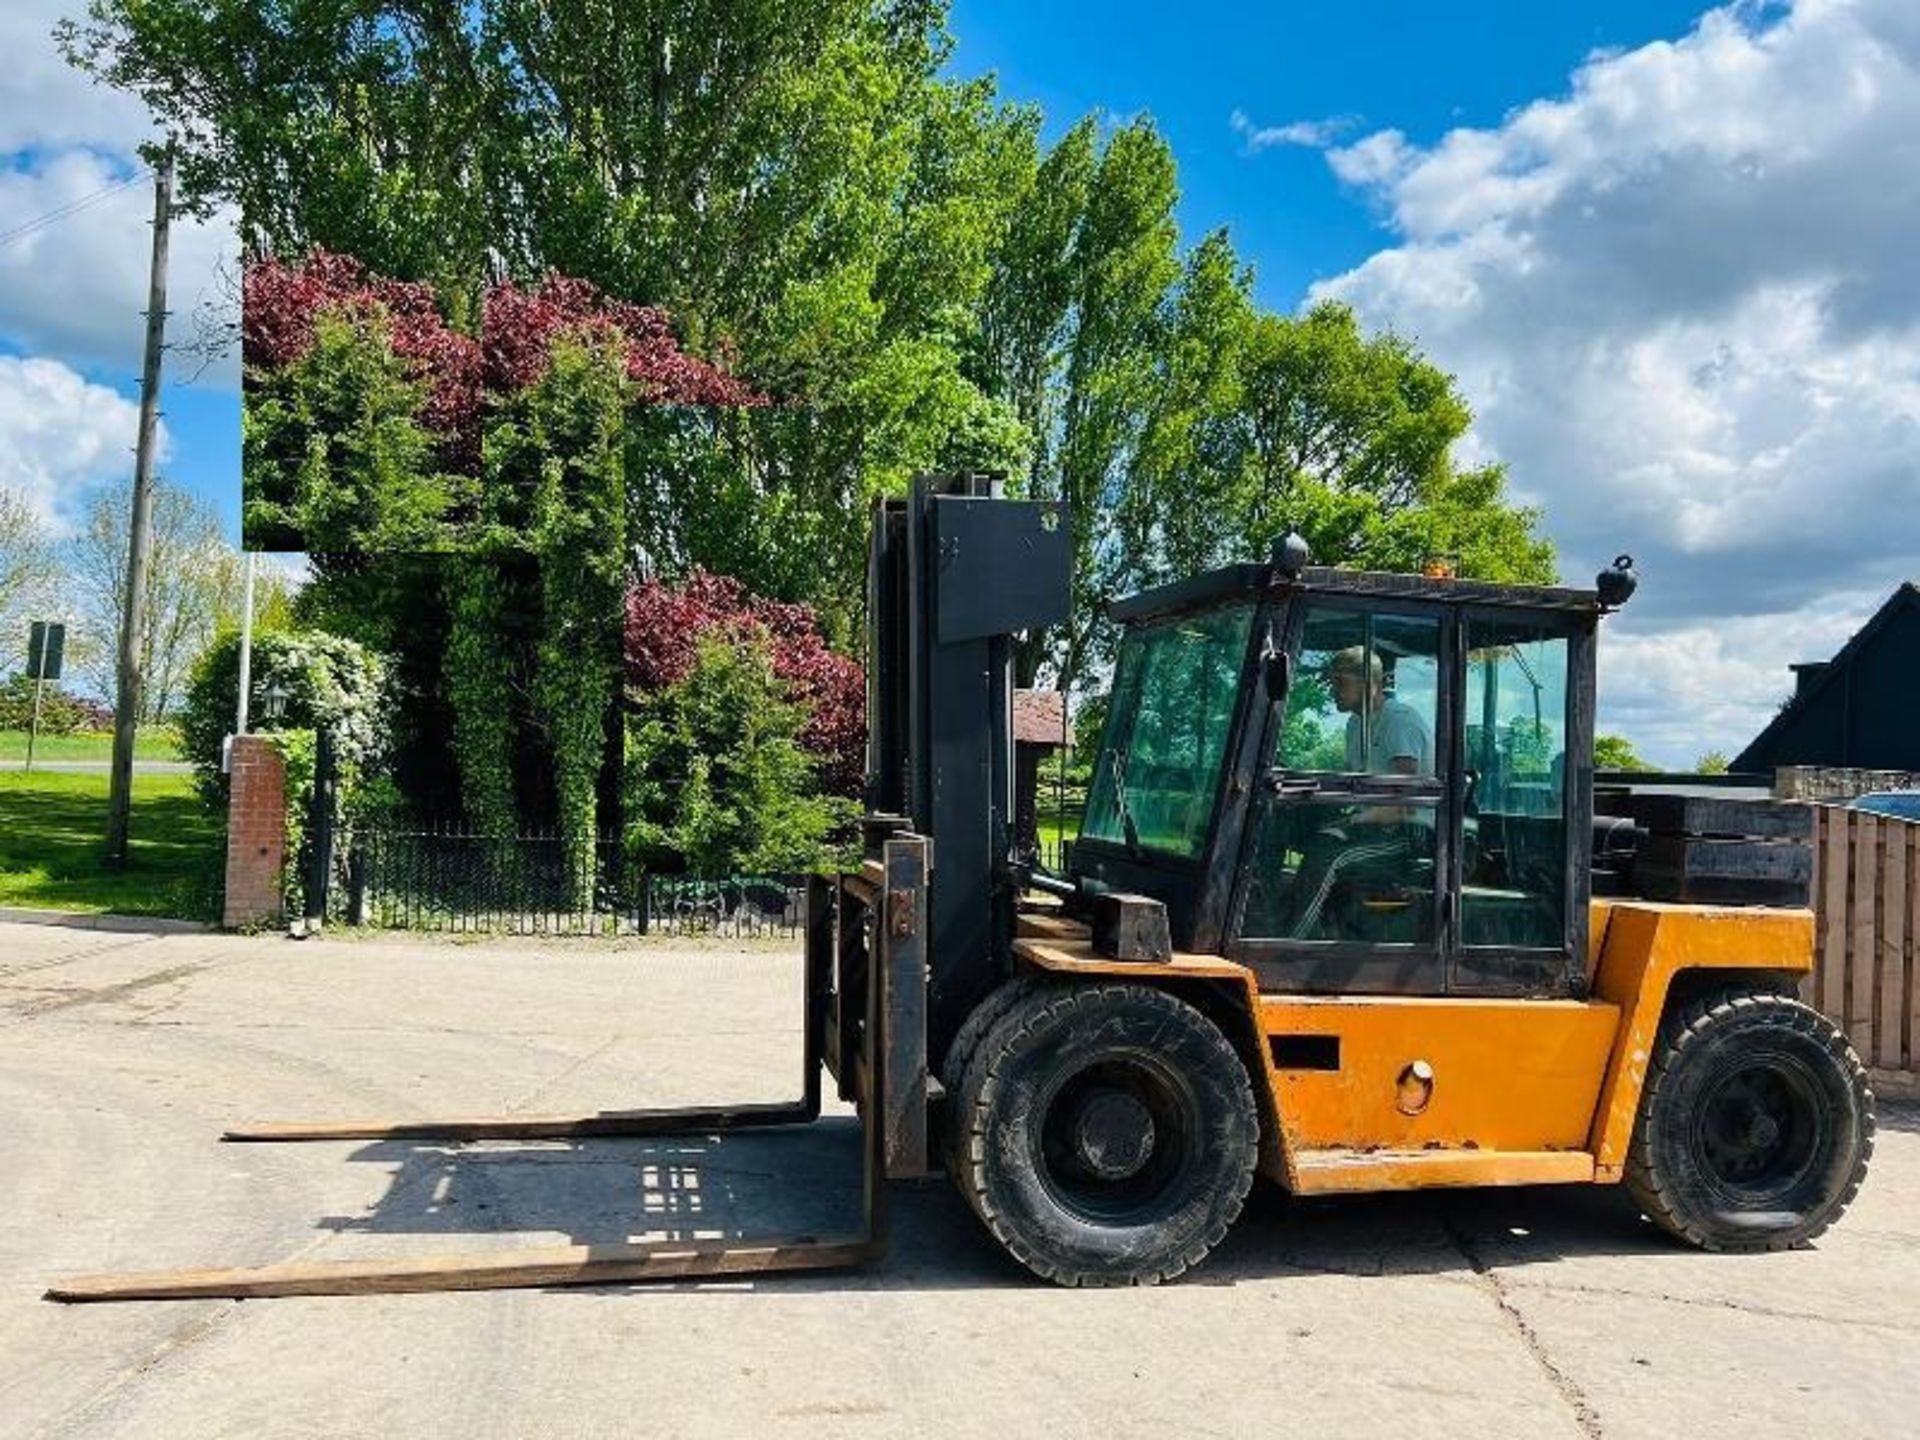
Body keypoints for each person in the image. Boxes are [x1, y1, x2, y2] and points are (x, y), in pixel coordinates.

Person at [1284, 646, 1433, 939]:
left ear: (1369, 682)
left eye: (1340, 681)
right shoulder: (1356, 724)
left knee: (1325, 857)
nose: (1332, 690)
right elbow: (1350, 787)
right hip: (1373, 826)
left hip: (1408, 833)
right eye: (1331, 682)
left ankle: (1290, 944)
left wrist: (1350, 822)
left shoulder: (1399, 721)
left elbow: (1402, 803)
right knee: (1289, 829)